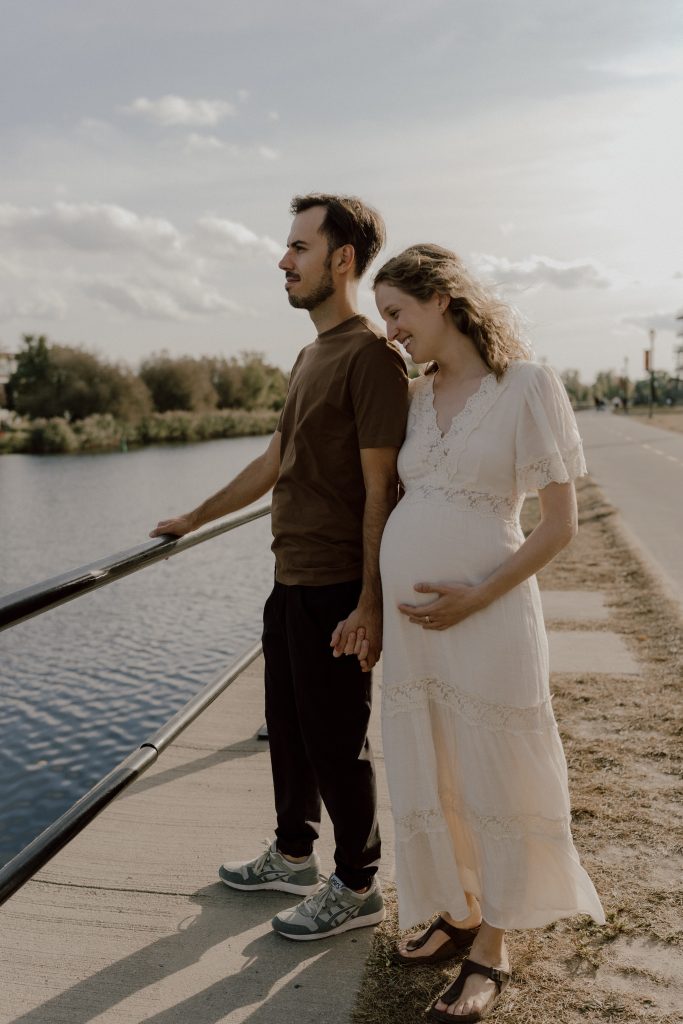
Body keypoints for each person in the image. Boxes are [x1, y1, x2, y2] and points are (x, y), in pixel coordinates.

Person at [151, 194, 408, 941]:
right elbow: (275, 461)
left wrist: (368, 603)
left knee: (335, 742)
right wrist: (194, 516)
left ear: (342, 259)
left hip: (334, 585)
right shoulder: (310, 354)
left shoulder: (370, 357)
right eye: (286, 247)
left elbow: (378, 489)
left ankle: (358, 883)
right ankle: (294, 854)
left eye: (298, 247)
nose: (282, 261)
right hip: (288, 577)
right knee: (289, 732)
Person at [363, 243, 604, 1020]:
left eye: (396, 313)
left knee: (496, 769)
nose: (391, 330)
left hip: (489, 615)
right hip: (415, 635)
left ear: (441, 300)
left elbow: (558, 526)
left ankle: (491, 946)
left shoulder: (525, 385)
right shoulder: (411, 395)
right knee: (434, 768)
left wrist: (474, 596)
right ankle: (459, 907)